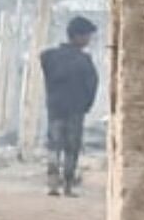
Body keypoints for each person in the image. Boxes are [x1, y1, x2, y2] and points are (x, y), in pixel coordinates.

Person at [39, 16, 99, 197]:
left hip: (55, 108)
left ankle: (52, 184)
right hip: (76, 109)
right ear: (79, 36)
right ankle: (68, 186)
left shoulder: (49, 56)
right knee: (71, 148)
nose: (89, 40)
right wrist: (86, 105)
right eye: (87, 36)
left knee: (54, 146)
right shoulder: (84, 60)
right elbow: (92, 86)